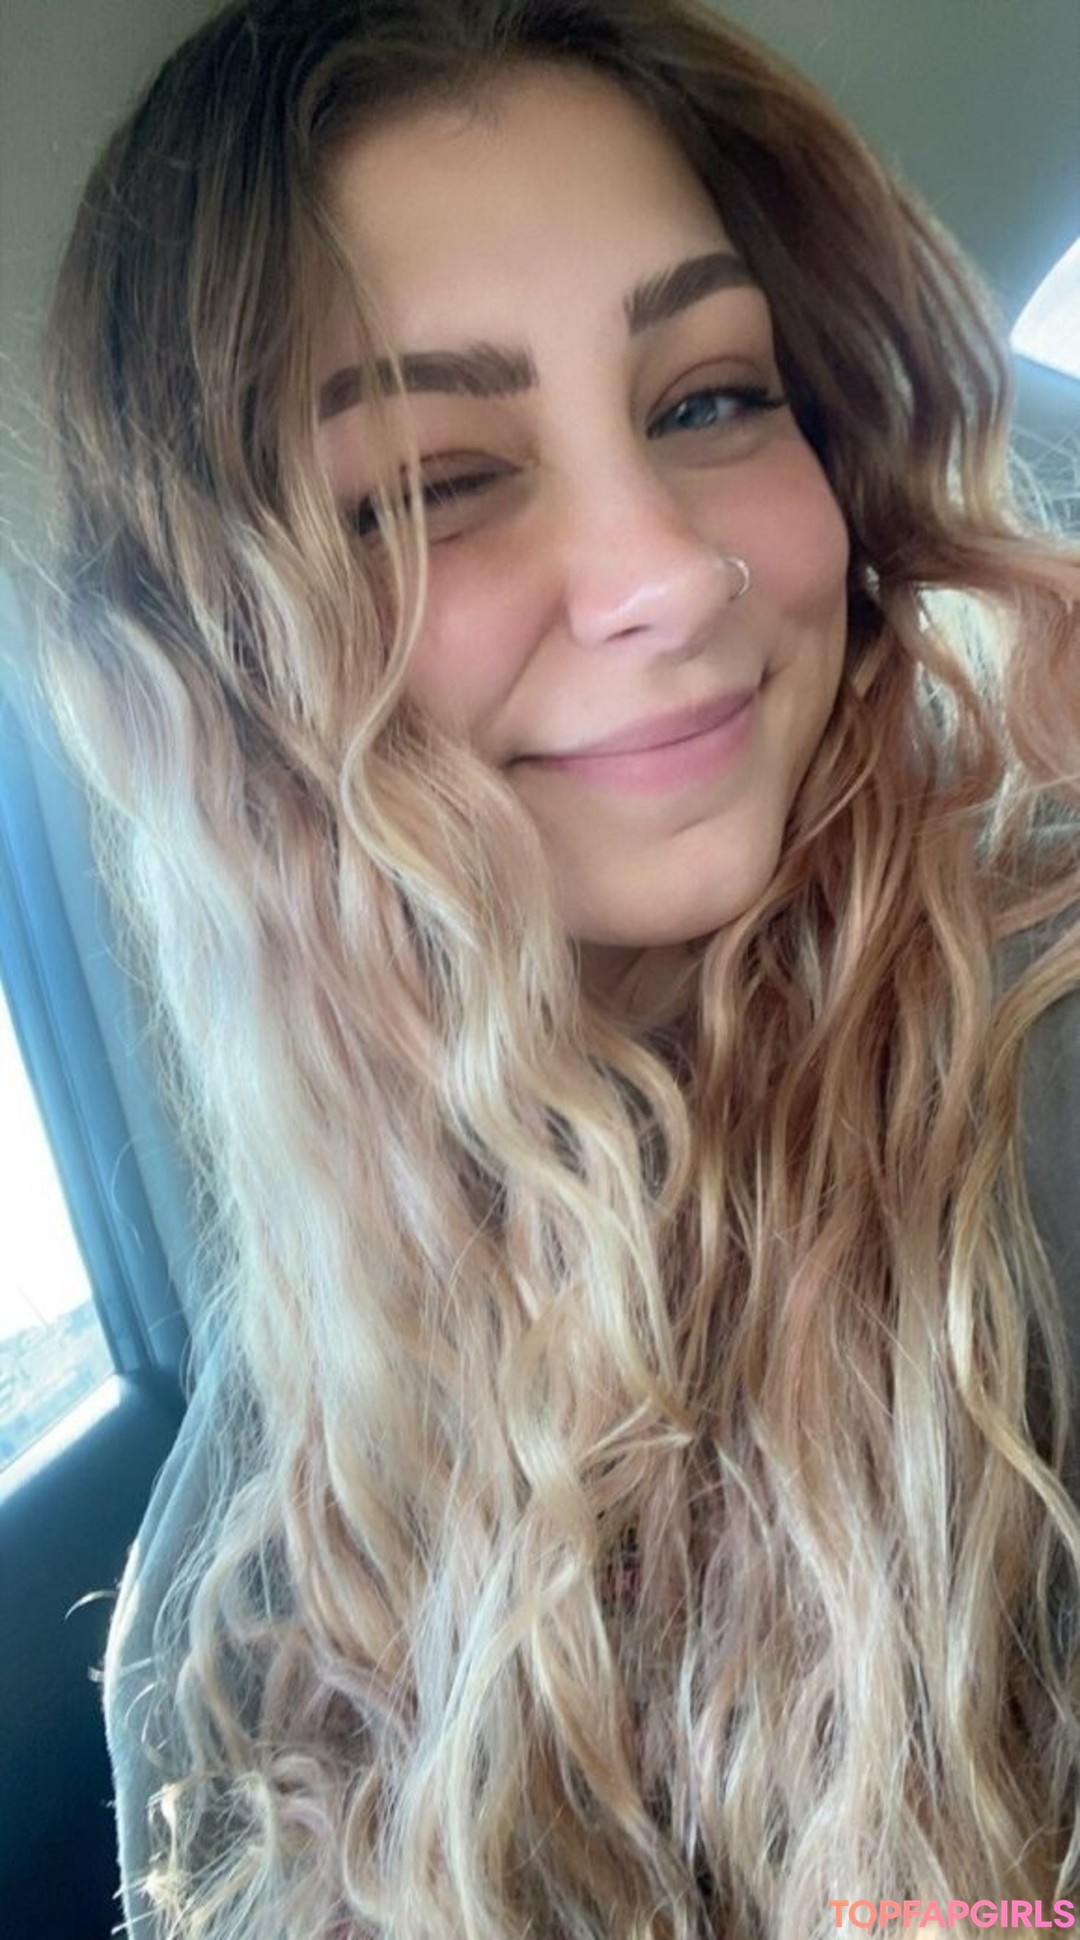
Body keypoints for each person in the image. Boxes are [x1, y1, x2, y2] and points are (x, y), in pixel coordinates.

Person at [37, 0, 1080, 1934]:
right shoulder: (274, 1470)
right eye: (438, 483)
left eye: (708, 400)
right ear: (217, 664)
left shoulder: (1038, 1088)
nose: (672, 574)